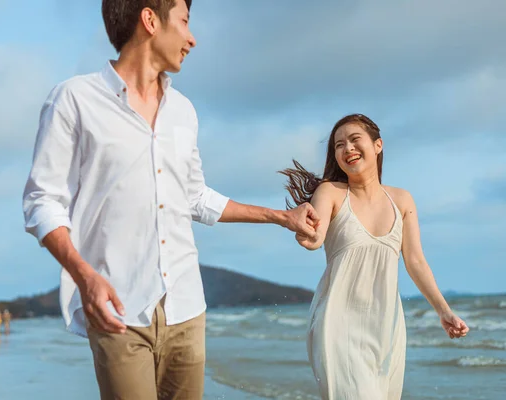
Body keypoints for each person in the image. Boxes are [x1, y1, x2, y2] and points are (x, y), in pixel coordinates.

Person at [22, 1, 319, 399]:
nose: (192, 38)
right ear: (150, 20)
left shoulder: (184, 112)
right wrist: (83, 275)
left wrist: (284, 217)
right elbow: (42, 201)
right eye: (184, 21)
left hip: (186, 305)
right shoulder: (74, 100)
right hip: (119, 309)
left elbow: (194, 196)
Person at [280, 114, 469, 400]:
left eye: (355, 140)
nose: (347, 149)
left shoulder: (402, 200)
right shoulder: (330, 192)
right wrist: (306, 235)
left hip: (386, 328)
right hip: (337, 322)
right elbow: (315, 237)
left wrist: (444, 311)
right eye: (339, 145)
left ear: (377, 145)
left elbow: (415, 261)